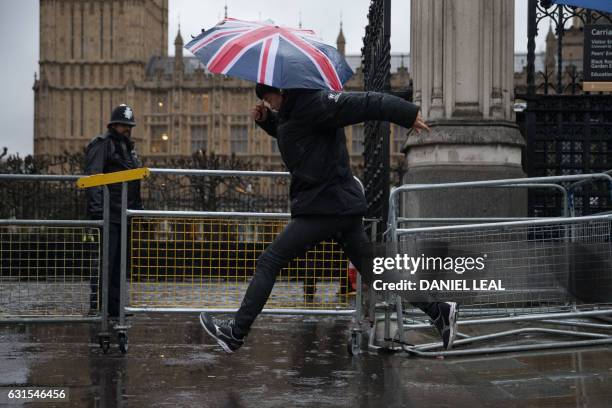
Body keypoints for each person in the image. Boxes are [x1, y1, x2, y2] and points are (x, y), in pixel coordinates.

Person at [199, 85, 458, 353]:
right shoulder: (295, 111)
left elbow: (366, 102)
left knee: (270, 260)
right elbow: (300, 135)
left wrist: (405, 114)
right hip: (335, 207)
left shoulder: (318, 102)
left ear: (281, 89)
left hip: (326, 207)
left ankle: (236, 332)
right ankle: (439, 310)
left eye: (267, 97)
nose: (266, 102)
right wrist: (268, 121)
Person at [85, 104, 143, 318]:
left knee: (120, 264)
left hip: (124, 215)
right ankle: (98, 306)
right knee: (105, 263)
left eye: (129, 126)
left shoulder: (128, 148)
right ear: (113, 125)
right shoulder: (103, 144)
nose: (126, 130)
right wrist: (99, 213)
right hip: (108, 214)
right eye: (122, 126)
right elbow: (93, 178)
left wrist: (137, 211)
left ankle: (115, 307)